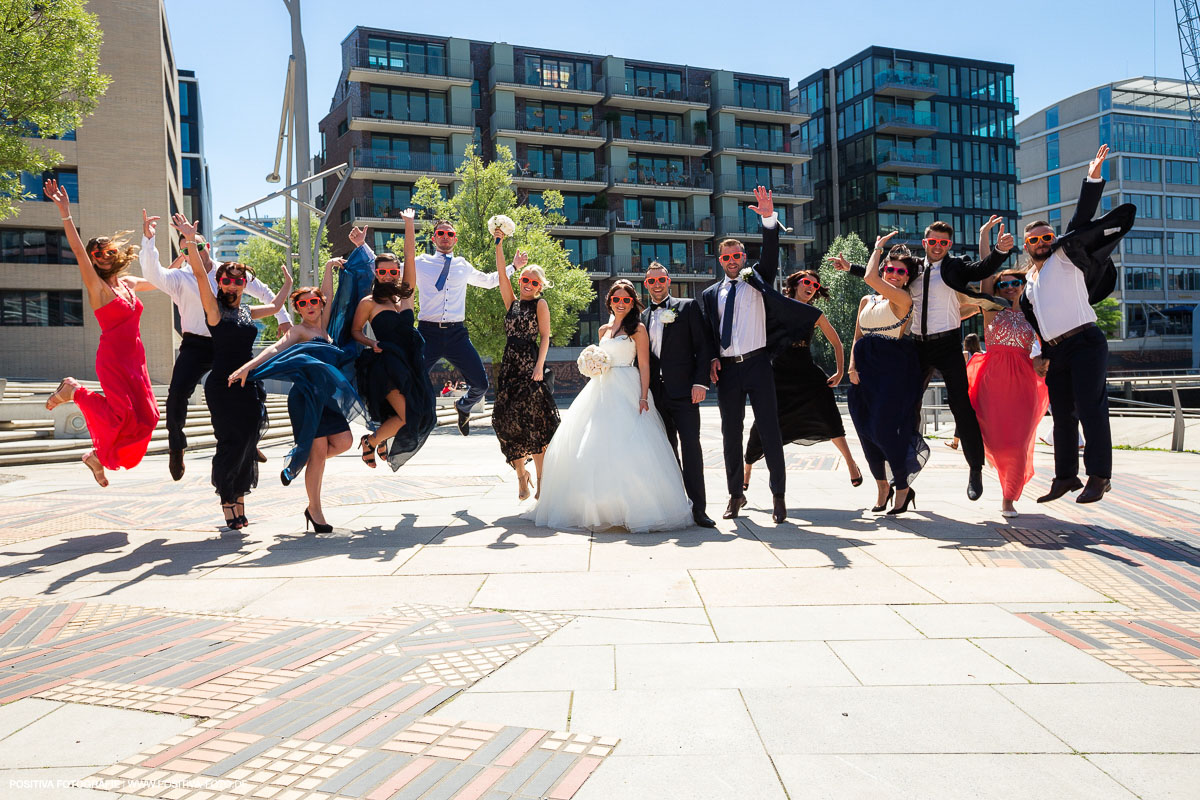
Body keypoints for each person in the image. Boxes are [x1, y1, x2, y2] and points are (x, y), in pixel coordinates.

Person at [833, 219, 1015, 501]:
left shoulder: (955, 266)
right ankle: (903, 472)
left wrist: (1000, 252)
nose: (938, 247)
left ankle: (975, 468)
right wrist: (852, 268)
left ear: (949, 245)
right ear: (925, 242)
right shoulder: (915, 268)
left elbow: (983, 269)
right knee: (907, 406)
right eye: (933, 242)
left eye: (944, 243)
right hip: (916, 347)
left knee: (960, 406)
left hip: (948, 344)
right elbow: (889, 275)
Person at [1020, 145, 1135, 505]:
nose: (1042, 242)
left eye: (1046, 236)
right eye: (1034, 239)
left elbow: (1081, 220)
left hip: (1086, 341)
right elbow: (1037, 322)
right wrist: (1040, 353)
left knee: (1090, 409)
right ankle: (1065, 477)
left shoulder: (1065, 257)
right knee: (1062, 418)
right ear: (1026, 246)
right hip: (1057, 349)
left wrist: (1093, 177)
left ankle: (1099, 476)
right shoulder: (1028, 284)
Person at [530, 280, 693, 532]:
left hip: (628, 386)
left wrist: (642, 396)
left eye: (626, 300)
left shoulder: (637, 329)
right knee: (593, 445)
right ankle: (599, 507)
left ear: (632, 302)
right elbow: (599, 359)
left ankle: (635, 508)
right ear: (609, 301)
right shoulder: (603, 330)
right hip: (601, 389)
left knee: (631, 445)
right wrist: (591, 366)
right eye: (616, 299)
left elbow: (645, 365)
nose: (621, 303)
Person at [139, 221, 292, 481]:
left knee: (255, 391)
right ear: (183, 255)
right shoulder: (179, 278)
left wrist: (284, 319)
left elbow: (265, 293)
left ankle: (250, 440)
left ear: (207, 246)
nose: (195, 253)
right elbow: (154, 275)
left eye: (198, 246)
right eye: (187, 250)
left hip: (229, 343)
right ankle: (177, 447)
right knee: (176, 393)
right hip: (196, 344)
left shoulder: (229, 272)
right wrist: (149, 241)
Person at [228, 256, 363, 533]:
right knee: (318, 450)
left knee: (344, 442)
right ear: (297, 308)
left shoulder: (325, 326)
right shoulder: (299, 330)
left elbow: (327, 292)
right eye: (303, 303)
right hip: (305, 398)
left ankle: (303, 459)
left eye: (314, 302)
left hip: (326, 398)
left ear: (321, 305)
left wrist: (327, 268)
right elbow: (274, 350)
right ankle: (315, 511)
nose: (310, 306)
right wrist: (247, 366)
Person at [173, 214, 291, 529]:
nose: (233, 283)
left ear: (244, 284)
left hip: (249, 385)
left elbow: (278, 304)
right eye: (227, 279)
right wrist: (190, 242)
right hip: (222, 385)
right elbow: (199, 275)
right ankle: (227, 500)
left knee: (249, 439)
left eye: (239, 280)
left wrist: (288, 283)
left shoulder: (247, 310)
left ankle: (240, 497)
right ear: (220, 282)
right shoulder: (212, 307)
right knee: (230, 442)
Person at [42, 179, 160, 487]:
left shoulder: (128, 283)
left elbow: (163, 278)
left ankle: (96, 456)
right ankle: (73, 390)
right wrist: (65, 213)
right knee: (125, 416)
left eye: (106, 250)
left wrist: (152, 241)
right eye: (97, 254)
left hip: (136, 360)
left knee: (148, 419)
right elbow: (78, 252)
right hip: (114, 360)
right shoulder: (98, 288)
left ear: (115, 252)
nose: (102, 255)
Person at [700, 187, 789, 523]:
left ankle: (778, 496)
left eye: (737, 256)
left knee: (769, 431)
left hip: (758, 364)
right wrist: (711, 359)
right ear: (720, 261)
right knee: (730, 435)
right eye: (726, 257)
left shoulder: (758, 280)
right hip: (728, 372)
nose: (733, 261)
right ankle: (735, 496)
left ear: (743, 257)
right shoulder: (711, 293)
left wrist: (768, 219)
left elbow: (770, 256)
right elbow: (709, 333)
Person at [742, 269, 862, 491]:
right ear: (795, 284)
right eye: (807, 282)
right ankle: (746, 469)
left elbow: (837, 343)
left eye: (816, 286)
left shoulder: (813, 314)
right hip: (777, 377)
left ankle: (850, 463)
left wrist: (839, 372)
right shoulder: (778, 305)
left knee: (830, 416)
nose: (811, 287)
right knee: (761, 425)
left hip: (808, 377)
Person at [844, 235, 929, 515]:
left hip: (892, 369)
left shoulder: (903, 299)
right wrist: (852, 367)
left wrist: (878, 247)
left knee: (882, 429)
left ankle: (902, 484)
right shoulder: (867, 300)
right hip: (864, 368)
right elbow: (857, 336)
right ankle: (882, 486)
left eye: (900, 271)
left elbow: (869, 275)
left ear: (907, 278)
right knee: (864, 430)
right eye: (889, 269)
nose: (893, 274)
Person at [966, 235, 1050, 517]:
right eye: (1005, 284)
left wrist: (1040, 359)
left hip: (1025, 380)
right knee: (998, 442)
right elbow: (986, 273)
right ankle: (996, 481)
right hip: (994, 380)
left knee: (1020, 440)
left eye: (1017, 283)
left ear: (1024, 286)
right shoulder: (991, 309)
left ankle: (1009, 498)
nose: (1011, 287)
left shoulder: (1035, 313)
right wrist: (984, 239)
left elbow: (1042, 345)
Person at [348, 217, 437, 472]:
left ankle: (380, 439)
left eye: (393, 271)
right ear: (376, 273)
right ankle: (371, 441)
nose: (388, 275)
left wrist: (409, 224)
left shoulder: (405, 296)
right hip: (386, 365)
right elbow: (355, 331)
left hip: (410, 365)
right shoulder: (368, 302)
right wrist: (370, 341)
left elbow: (410, 256)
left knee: (422, 415)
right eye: (382, 271)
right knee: (407, 415)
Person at [414, 219, 514, 435]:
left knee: (481, 384)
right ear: (434, 238)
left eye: (450, 234)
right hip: (427, 333)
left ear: (455, 239)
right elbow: (390, 269)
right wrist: (362, 248)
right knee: (413, 381)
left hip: (456, 334)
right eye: (441, 233)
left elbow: (488, 281)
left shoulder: (462, 265)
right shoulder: (421, 263)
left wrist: (513, 267)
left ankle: (463, 406)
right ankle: (410, 426)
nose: (445, 237)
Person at [640, 261, 715, 528]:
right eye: (651, 281)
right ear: (646, 284)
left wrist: (700, 383)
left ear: (668, 281)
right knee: (666, 452)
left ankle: (699, 509)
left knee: (691, 449)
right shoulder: (643, 317)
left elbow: (703, 348)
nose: (657, 285)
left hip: (685, 393)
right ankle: (674, 506)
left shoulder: (687, 307)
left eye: (661, 280)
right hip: (655, 396)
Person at [491, 232, 560, 500]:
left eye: (533, 282)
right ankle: (521, 475)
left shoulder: (540, 304)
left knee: (536, 426)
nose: (528, 284)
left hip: (531, 366)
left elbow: (545, 336)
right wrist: (499, 246)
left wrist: (540, 367)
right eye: (525, 280)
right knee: (508, 425)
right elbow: (500, 276)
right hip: (509, 368)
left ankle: (543, 483)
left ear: (540, 286)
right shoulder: (512, 303)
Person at [947, 333, 983, 451]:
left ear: (966, 344)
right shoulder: (982, 354)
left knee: (962, 415)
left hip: (967, 389)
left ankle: (956, 442)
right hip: (980, 389)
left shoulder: (966, 354)